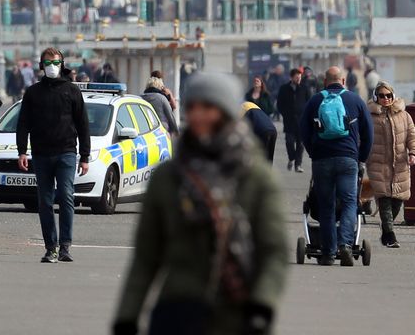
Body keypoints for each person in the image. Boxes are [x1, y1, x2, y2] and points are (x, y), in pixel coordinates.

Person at [113, 73, 287, 335]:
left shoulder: (256, 177)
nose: (197, 115)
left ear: (227, 114)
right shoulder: (168, 177)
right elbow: (146, 256)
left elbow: (273, 251)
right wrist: (127, 315)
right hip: (177, 310)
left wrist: (263, 304)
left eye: (208, 107)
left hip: (236, 312)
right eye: (192, 107)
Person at [17, 48, 91, 263]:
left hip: (67, 152)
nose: (52, 66)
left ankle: (65, 245)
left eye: (55, 62)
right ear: (41, 65)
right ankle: (51, 247)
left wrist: (85, 156)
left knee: (67, 196)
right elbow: (23, 124)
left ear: (62, 64)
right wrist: (22, 150)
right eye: (47, 62)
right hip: (41, 154)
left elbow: (83, 125)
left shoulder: (72, 91)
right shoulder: (33, 92)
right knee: (45, 201)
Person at [300, 66, 373, 266]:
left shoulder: (315, 100)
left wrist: (313, 153)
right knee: (350, 203)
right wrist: (361, 158)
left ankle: (329, 253)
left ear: (325, 81)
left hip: (322, 160)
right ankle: (346, 245)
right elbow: (368, 134)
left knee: (326, 206)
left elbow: (304, 131)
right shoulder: (355, 100)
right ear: (343, 81)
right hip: (348, 159)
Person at [366, 81, 415, 248]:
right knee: (384, 199)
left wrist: (413, 153)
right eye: (381, 96)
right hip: (378, 164)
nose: (385, 99)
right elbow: (362, 138)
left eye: (388, 95)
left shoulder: (404, 115)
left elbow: (413, 137)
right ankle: (390, 235)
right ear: (376, 97)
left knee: (397, 200)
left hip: (400, 165)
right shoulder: (369, 116)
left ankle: (386, 226)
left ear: (393, 96)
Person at [277, 68, 310, 172]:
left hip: (301, 121)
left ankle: (298, 165)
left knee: (300, 144)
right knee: (289, 142)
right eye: (297, 77)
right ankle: (291, 158)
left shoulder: (305, 88)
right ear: (291, 77)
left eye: (300, 77)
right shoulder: (284, 88)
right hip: (289, 121)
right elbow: (279, 104)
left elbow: (309, 103)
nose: (299, 79)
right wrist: (285, 114)